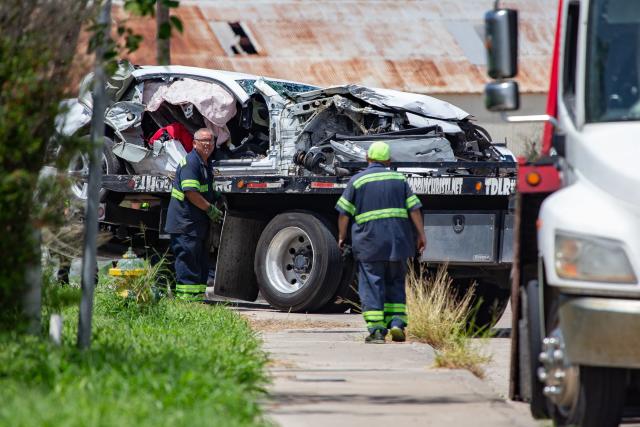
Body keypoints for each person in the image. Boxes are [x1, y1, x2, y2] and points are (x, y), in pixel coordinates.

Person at [336, 141, 427, 344]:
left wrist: (342, 236)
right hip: (398, 243)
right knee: (395, 283)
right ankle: (396, 323)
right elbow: (414, 209)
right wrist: (421, 235)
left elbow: (344, 213)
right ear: (388, 161)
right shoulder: (399, 179)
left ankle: (377, 331)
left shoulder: (357, 181)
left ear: (368, 158)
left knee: (371, 285)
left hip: (369, 244)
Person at [165, 128, 223, 301]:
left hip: (195, 223)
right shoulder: (191, 162)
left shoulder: (205, 163)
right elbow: (190, 192)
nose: (207, 144)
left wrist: (217, 197)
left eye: (210, 141)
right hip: (185, 223)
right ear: (194, 143)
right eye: (203, 141)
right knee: (188, 260)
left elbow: (205, 189)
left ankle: (196, 300)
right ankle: (186, 301)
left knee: (199, 263)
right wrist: (210, 209)